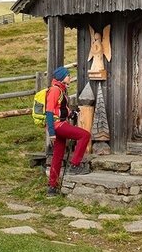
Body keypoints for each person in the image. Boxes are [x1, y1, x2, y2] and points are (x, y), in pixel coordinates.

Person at [45, 66, 91, 196]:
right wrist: (52, 132)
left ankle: (52, 188)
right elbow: (49, 111)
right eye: (68, 75)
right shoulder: (55, 90)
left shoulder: (60, 89)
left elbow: (60, 109)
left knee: (57, 156)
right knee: (85, 135)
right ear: (62, 76)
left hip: (58, 125)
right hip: (58, 126)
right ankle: (75, 165)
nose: (69, 77)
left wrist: (71, 114)